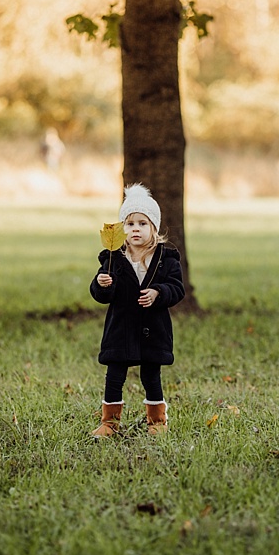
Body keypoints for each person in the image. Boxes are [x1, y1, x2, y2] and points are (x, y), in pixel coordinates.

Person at [89, 184, 185, 437]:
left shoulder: (167, 258)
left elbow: (177, 288)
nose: (135, 229)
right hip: (121, 327)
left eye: (142, 224)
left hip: (153, 328)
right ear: (122, 229)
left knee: (151, 374)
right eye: (130, 224)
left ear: (154, 227)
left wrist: (159, 292)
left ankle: (157, 422)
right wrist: (102, 285)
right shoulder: (113, 258)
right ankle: (110, 422)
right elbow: (101, 294)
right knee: (115, 374)